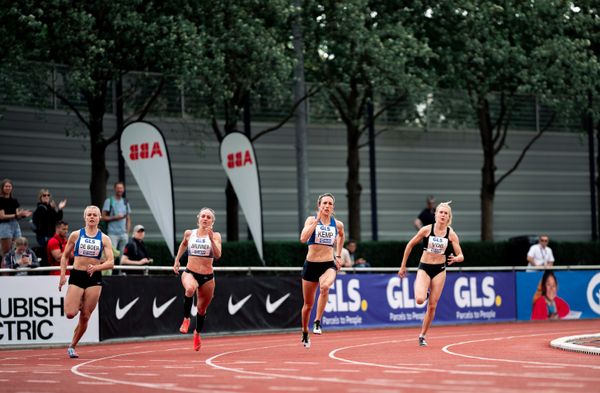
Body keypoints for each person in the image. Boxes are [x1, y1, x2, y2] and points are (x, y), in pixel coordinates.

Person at [399, 201, 464, 347]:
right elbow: (409, 245)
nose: (442, 215)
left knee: (433, 306)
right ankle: (425, 292)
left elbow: (461, 255)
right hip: (424, 267)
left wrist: (456, 258)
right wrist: (403, 266)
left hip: (440, 269)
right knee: (420, 300)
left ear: (449, 217)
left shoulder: (451, 234)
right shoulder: (427, 230)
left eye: (445, 213)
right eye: (440, 212)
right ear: (436, 215)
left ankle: (422, 335)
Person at [58, 206, 114, 359]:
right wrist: (63, 275)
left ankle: (72, 346)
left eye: (95, 215)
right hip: (77, 275)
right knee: (70, 313)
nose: (92, 217)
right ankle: (79, 301)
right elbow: (64, 257)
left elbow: (111, 262)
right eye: (89, 215)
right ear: (85, 217)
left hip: (94, 278)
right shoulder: (76, 235)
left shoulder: (104, 238)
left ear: (99, 218)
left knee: (85, 316)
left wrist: (97, 267)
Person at [299, 193, 345, 348]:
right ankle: (305, 331)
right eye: (324, 203)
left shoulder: (337, 224)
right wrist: (317, 221)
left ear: (333, 207)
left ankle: (317, 322)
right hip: (311, 265)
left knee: (325, 287)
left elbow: (341, 236)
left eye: (330, 204)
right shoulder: (311, 220)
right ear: (319, 206)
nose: (327, 206)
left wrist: (338, 255)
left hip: (328, 264)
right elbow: (303, 239)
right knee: (308, 305)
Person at [173, 208, 222, 351]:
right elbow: (183, 244)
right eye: (203, 216)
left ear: (212, 222)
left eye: (208, 217)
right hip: (190, 272)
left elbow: (218, 255)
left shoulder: (216, 236)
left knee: (201, 309)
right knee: (189, 288)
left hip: (207, 277)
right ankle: (186, 319)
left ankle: (197, 333)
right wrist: (177, 261)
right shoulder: (190, 233)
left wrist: (212, 239)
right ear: (198, 219)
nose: (205, 219)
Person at [0, 179, 32, 257]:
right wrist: (16, 215)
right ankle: (4, 267)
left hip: (15, 224)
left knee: (19, 248)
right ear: (2, 188)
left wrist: (23, 215)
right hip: (5, 225)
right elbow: (2, 216)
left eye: (9, 186)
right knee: (6, 253)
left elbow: (17, 215)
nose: (8, 188)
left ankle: (16, 266)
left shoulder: (14, 200)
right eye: (6, 186)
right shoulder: (0, 200)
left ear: (12, 188)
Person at [101, 181, 131, 260]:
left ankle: (122, 272)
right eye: (118, 188)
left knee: (124, 257)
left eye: (121, 188)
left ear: (123, 189)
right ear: (115, 189)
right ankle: (110, 272)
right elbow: (103, 217)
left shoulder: (125, 201)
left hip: (123, 234)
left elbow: (128, 218)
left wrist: (127, 232)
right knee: (110, 256)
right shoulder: (109, 201)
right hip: (112, 233)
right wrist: (115, 217)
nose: (120, 190)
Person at [32, 188, 67, 255]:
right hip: (44, 237)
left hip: (51, 235)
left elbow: (58, 220)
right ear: (40, 197)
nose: (46, 197)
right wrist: (53, 209)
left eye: (48, 195)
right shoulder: (40, 208)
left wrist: (59, 209)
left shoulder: (49, 207)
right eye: (44, 195)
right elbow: (45, 221)